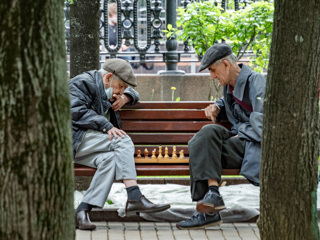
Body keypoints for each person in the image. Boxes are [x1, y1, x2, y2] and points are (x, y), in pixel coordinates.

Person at [70, 58, 170, 230]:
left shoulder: (112, 91)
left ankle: (83, 210)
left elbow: (133, 92)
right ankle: (134, 195)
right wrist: (106, 125)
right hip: (73, 139)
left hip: (88, 144)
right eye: (121, 86)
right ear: (108, 78)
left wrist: (126, 96)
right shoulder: (82, 83)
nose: (121, 90)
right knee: (122, 139)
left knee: (109, 160)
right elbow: (74, 111)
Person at [176, 43, 266, 229]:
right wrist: (218, 106)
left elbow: (264, 124)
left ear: (226, 64)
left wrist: (241, 134)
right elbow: (231, 104)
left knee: (202, 149)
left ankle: (209, 212)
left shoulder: (257, 82)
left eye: (213, 70)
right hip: (240, 142)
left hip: (255, 145)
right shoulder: (229, 87)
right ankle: (213, 193)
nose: (212, 76)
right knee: (205, 135)